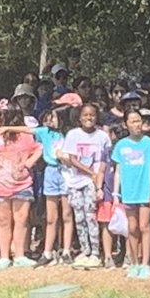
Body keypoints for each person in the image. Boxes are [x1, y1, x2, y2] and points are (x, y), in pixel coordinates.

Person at [0, 105, 43, 270]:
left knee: (21, 220)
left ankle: (20, 255)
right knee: (3, 221)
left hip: (22, 184)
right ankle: (4, 256)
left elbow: (41, 146)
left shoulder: (25, 135)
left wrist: (29, 162)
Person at [111, 109, 150, 280]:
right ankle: (134, 262)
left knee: (144, 227)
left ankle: (146, 264)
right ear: (126, 124)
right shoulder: (121, 145)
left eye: (139, 121)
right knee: (131, 228)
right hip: (128, 193)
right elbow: (118, 170)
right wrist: (115, 193)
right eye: (133, 121)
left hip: (145, 192)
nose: (137, 124)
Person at [60, 102, 111, 270]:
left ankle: (95, 252)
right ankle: (84, 250)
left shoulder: (102, 136)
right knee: (79, 216)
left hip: (92, 183)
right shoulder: (73, 135)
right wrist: (89, 172)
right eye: (85, 115)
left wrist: (97, 182)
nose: (89, 118)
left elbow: (104, 160)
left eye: (92, 115)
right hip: (76, 181)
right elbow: (73, 159)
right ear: (79, 118)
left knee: (90, 215)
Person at [34, 103, 73, 266]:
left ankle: (66, 250)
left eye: (54, 118)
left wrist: (63, 157)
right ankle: (48, 251)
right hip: (50, 172)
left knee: (67, 214)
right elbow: (25, 129)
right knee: (51, 216)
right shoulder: (44, 132)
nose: (50, 121)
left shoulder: (69, 135)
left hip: (66, 172)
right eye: (48, 119)